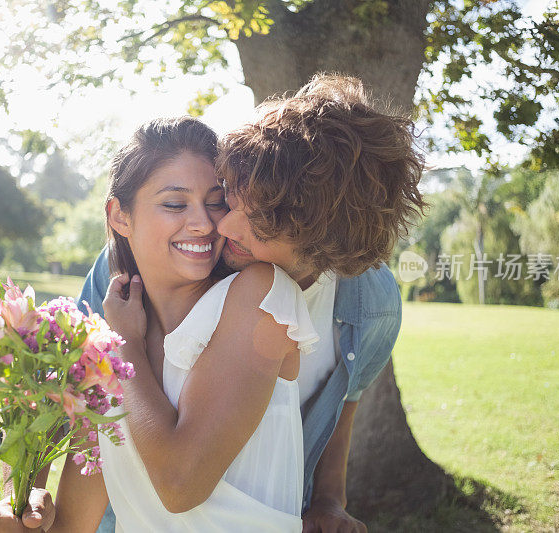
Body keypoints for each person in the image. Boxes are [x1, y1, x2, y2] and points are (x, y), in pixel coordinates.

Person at [75, 73, 426, 532]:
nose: (221, 227)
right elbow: (73, 401)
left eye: (260, 224)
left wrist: (327, 501)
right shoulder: (144, 263)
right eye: (232, 198)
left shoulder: (370, 308)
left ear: (319, 245)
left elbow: (343, 403)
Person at [47, 115, 319, 532]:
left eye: (216, 201)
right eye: (175, 204)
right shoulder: (102, 355)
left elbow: (181, 485)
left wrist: (124, 344)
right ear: (120, 216)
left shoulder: (262, 295)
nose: (205, 224)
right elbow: (69, 528)